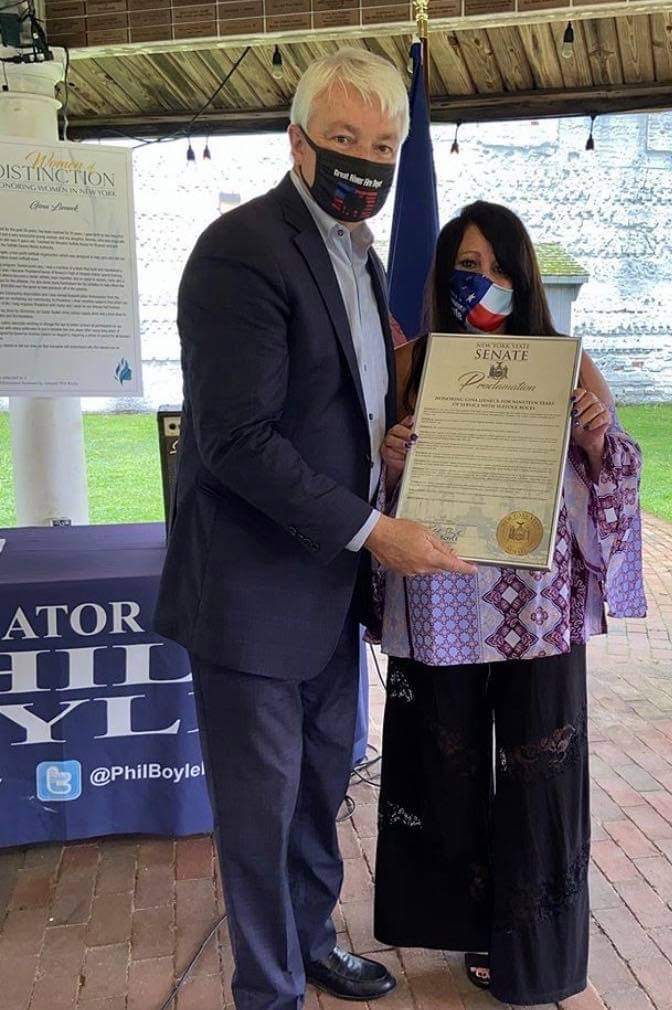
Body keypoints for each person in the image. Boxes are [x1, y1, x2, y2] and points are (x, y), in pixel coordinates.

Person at [154, 48, 473, 1010]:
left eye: (382, 146)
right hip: (252, 596)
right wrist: (375, 529)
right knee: (260, 814)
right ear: (297, 143)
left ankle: (311, 942)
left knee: (319, 789)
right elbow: (236, 440)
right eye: (343, 138)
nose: (364, 162)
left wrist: (388, 450)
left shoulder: (361, 258)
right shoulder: (242, 250)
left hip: (330, 592)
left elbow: (339, 406)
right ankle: (270, 990)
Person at [373, 202, 647, 1005]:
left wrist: (594, 437)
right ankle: (460, 923)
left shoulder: (565, 362)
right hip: (440, 596)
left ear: (524, 277)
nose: (483, 281)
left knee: (541, 778)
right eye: (467, 266)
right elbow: (373, 484)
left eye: (497, 266)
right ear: (443, 275)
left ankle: (535, 952)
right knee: (443, 766)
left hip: (538, 604)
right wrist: (391, 460)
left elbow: (618, 464)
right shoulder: (413, 363)